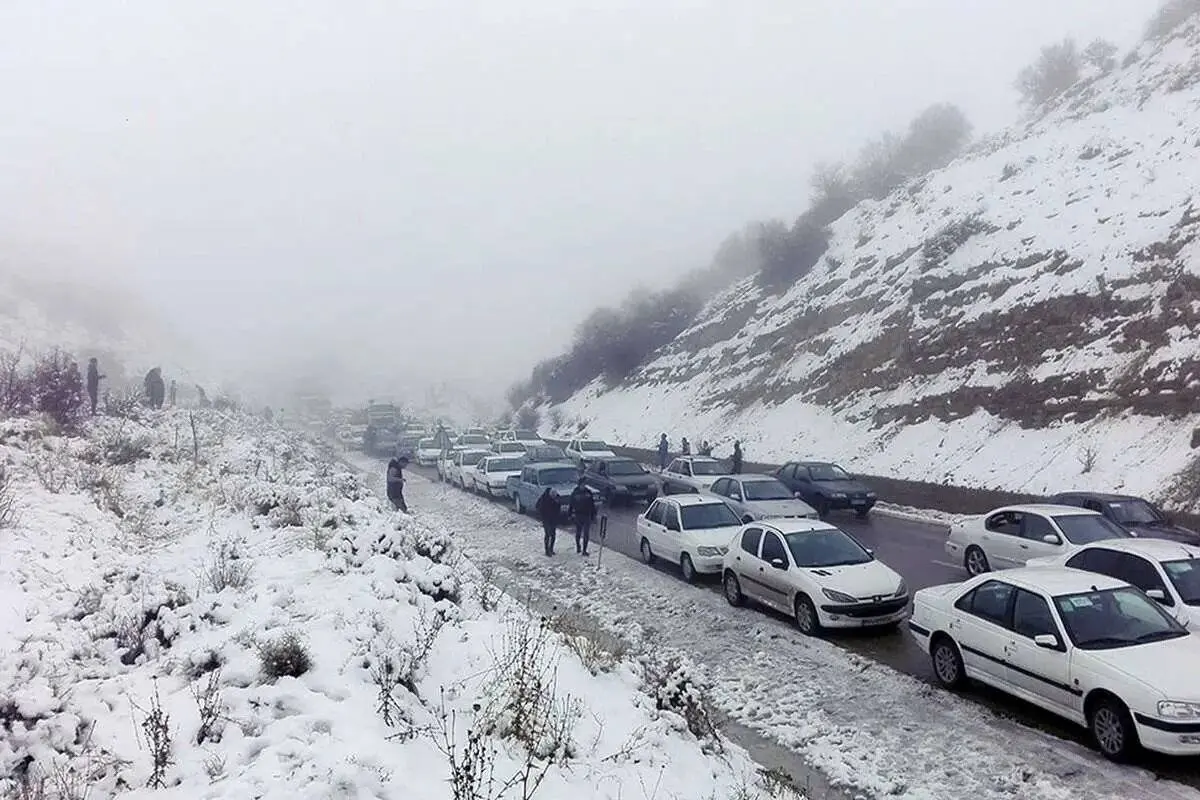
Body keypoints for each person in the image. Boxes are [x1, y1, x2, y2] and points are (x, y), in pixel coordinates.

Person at [568, 477, 597, 556]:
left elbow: (592, 504)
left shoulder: (588, 492)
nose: (583, 486)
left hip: (587, 515)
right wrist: (570, 514)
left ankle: (584, 550)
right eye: (582, 484)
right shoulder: (575, 493)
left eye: (584, 484)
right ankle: (578, 546)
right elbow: (571, 504)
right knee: (578, 532)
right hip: (578, 515)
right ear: (579, 484)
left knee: (586, 534)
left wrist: (594, 514)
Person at [536, 488, 561, 556]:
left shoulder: (557, 498)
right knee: (547, 534)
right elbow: (538, 507)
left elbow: (558, 508)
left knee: (553, 535)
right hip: (546, 519)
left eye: (554, 496)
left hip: (553, 519)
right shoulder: (544, 499)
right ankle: (547, 550)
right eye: (552, 496)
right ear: (550, 494)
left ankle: (551, 549)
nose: (554, 497)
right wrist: (542, 517)